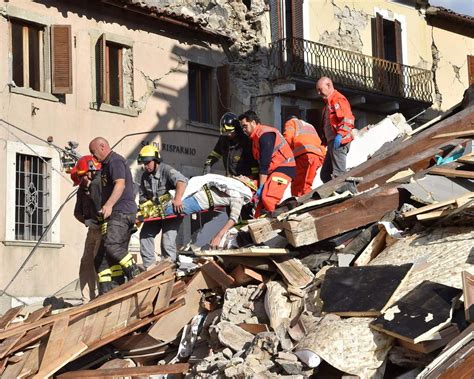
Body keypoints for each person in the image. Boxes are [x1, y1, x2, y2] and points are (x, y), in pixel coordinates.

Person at [89, 137, 139, 294]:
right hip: (114, 216)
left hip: (121, 212)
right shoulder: (105, 166)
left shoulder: (115, 161)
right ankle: (110, 292)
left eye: (94, 152)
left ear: (103, 147)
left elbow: (120, 184)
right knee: (101, 261)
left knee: (113, 246)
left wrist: (109, 205)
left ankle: (134, 272)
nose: (93, 156)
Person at [161, 174, 256, 248]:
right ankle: (153, 208)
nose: (242, 176)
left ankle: (152, 208)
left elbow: (232, 218)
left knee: (168, 205)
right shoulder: (233, 190)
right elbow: (233, 219)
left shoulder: (235, 191)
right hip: (197, 195)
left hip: (197, 196)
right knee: (169, 204)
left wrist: (219, 236)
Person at [137, 144, 188, 267]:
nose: (145, 166)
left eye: (148, 163)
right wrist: (142, 211)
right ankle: (150, 268)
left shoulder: (166, 170)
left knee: (167, 240)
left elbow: (182, 181)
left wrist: (177, 198)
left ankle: (169, 269)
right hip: (156, 212)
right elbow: (143, 197)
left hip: (171, 211)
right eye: (144, 163)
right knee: (145, 235)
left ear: (156, 161)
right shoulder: (145, 176)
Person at [238, 110, 296, 217]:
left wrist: (260, 187)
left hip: (284, 168)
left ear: (253, 123)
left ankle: (281, 222)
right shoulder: (255, 139)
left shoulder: (265, 134)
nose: (244, 130)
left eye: (245, 126)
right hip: (274, 171)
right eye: (242, 127)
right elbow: (258, 165)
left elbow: (264, 164)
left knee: (268, 198)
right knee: (259, 208)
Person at [71, 155, 102, 303]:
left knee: (99, 261)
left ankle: (102, 296)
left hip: (105, 229)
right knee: (86, 262)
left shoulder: (102, 185)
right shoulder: (81, 191)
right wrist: (86, 221)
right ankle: (87, 299)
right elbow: (77, 213)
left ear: (91, 172)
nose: (81, 181)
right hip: (92, 230)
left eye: (82, 176)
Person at [315, 77, 355, 183]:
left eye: (320, 89)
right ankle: (333, 194)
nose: (319, 93)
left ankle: (342, 193)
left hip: (340, 141)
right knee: (325, 175)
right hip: (333, 142)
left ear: (328, 85)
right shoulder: (328, 104)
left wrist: (340, 135)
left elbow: (348, 119)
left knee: (338, 175)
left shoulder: (338, 99)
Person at [203, 112, 259, 178]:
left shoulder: (246, 141)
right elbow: (215, 154)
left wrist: (254, 178)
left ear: (237, 129)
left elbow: (254, 164)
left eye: (230, 132)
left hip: (244, 179)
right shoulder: (223, 139)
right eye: (226, 132)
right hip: (229, 177)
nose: (228, 134)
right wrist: (208, 164)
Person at [283, 115, 326, 196]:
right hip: (318, 156)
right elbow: (318, 140)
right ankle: (308, 203)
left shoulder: (291, 122)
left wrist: (284, 155)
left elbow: (287, 138)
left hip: (303, 156)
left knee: (298, 185)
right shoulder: (309, 125)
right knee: (306, 185)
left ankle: (297, 204)